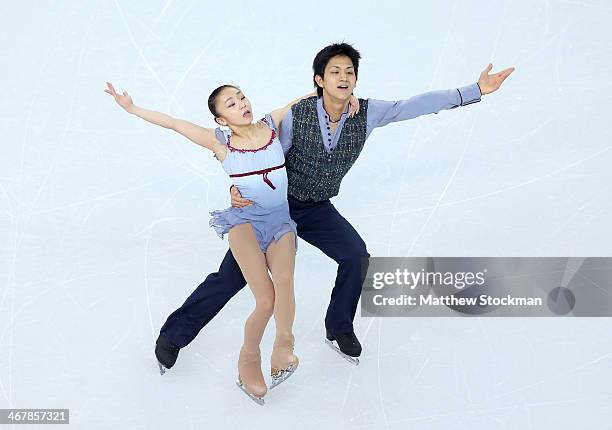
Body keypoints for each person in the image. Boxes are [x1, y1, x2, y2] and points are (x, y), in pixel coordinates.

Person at [155, 42, 515, 368]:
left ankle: (338, 327)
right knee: (231, 279)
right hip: (275, 210)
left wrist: (475, 90)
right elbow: (250, 155)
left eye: (349, 72)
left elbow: (413, 106)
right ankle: (174, 335)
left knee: (356, 255)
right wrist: (237, 194)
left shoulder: (367, 113)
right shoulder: (297, 116)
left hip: (315, 209)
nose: (343, 77)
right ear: (319, 80)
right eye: (334, 72)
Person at [104, 80, 359, 405]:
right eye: (230, 103)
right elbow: (174, 124)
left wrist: (343, 96)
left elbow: (303, 102)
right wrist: (132, 108)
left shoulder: (269, 124)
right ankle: (178, 338)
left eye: (241, 96)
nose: (241, 103)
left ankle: (283, 349)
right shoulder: (221, 143)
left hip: (280, 224)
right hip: (247, 227)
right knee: (234, 285)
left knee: (280, 287)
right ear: (221, 119)